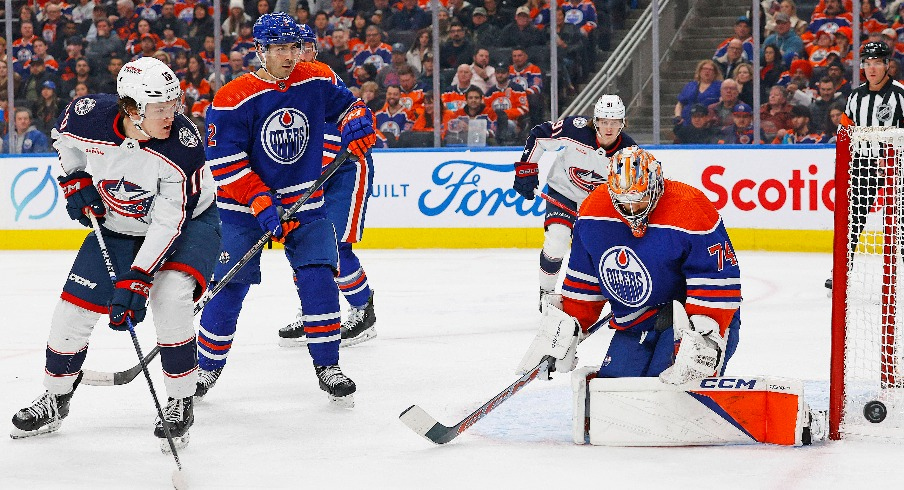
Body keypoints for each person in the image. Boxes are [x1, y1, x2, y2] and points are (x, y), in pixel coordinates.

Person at [9, 57, 219, 452]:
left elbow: (169, 221)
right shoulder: (88, 116)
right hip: (119, 226)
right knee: (71, 311)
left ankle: (178, 400)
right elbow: (64, 141)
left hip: (189, 225)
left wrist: (137, 279)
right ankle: (55, 397)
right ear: (130, 109)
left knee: (170, 297)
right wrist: (74, 178)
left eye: (174, 103)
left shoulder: (182, 145)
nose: (172, 114)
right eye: (160, 108)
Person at [195, 12, 376, 406]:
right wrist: (261, 201)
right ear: (259, 51)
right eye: (279, 48)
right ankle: (205, 369)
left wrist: (359, 121)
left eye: (293, 46)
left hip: (305, 204)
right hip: (242, 210)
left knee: (319, 281)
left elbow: (348, 107)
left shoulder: (315, 77)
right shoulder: (231, 97)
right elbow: (226, 165)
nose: (289, 55)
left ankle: (329, 367)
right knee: (228, 291)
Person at [516, 145, 740, 389]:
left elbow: (717, 278)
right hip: (635, 319)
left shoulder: (691, 208)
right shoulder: (593, 213)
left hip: (691, 321)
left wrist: (705, 335)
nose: (632, 209)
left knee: (670, 394)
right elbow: (585, 281)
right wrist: (564, 332)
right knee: (615, 392)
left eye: (640, 199)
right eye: (623, 202)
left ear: (656, 186)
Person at [278, 24, 378, 348]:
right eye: (290, 47)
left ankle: (364, 311)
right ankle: (315, 310)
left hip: (347, 168)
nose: (297, 54)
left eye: (303, 47)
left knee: (335, 246)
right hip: (313, 176)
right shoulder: (274, 88)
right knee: (304, 246)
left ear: (314, 51)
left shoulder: (320, 76)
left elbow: (341, 132)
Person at [513, 94, 637, 306]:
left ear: (622, 124)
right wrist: (526, 171)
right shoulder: (574, 130)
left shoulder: (629, 152)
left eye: (614, 123)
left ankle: (614, 295)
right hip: (564, 192)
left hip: (598, 205)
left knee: (609, 251)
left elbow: (636, 188)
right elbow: (539, 136)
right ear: (595, 121)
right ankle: (547, 292)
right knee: (557, 241)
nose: (609, 128)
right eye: (604, 122)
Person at [831, 42, 904, 289]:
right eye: (867, 63)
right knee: (854, 217)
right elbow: (845, 131)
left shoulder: (900, 95)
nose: (872, 68)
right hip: (863, 164)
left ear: (887, 65)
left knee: (901, 220)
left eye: (877, 63)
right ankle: (841, 270)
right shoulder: (855, 96)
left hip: (897, 164)